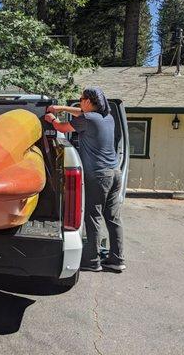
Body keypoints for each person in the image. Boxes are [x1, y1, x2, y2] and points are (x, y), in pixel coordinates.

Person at [44, 87, 125, 273]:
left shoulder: (87, 120)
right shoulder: (107, 118)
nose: (80, 102)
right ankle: (117, 260)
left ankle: (93, 261)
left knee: (93, 216)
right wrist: (63, 108)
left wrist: (53, 118)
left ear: (89, 101)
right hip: (114, 172)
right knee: (113, 217)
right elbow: (82, 112)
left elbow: (62, 128)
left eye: (81, 99)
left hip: (98, 175)